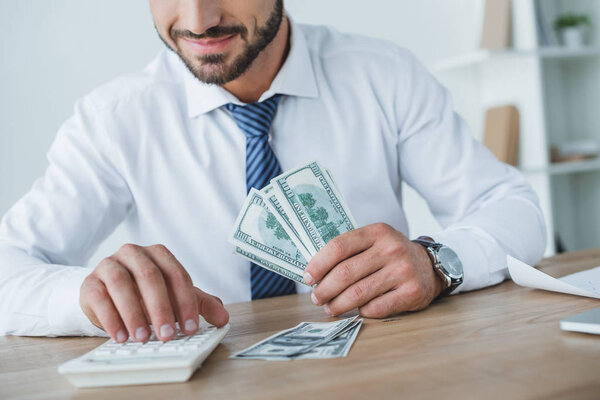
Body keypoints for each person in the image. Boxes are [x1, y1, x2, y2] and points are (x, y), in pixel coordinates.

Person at [0, 0, 546, 343]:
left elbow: (513, 209)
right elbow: (9, 271)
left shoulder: (384, 75)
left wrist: (436, 261)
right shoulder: (111, 120)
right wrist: (91, 295)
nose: (197, 20)